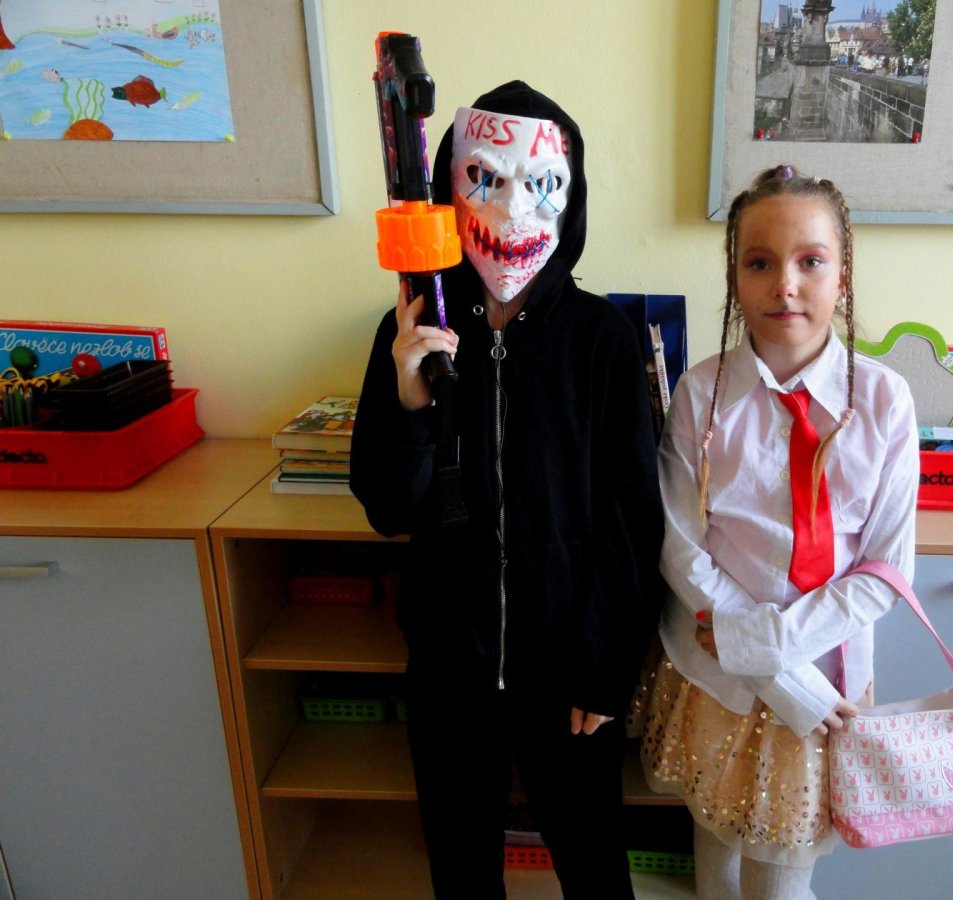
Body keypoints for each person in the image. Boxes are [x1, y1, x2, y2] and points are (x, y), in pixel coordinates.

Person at [351, 81, 665, 900]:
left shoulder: (603, 341)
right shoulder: (408, 329)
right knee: (460, 870)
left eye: (540, 183)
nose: (511, 205)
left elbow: (632, 522)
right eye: (484, 178)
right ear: (449, 189)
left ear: (571, 194)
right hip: (449, 669)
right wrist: (412, 402)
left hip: (568, 668)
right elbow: (388, 508)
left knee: (594, 866)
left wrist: (606, 670)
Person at [639, 166, 918, 899]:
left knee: (780, 881)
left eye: (810, 261)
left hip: (825, 684)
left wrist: (776, 655)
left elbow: (887, 570)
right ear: (734, 279)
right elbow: (680, 545)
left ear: (843, 275)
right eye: (759, 263)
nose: (784, 285)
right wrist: (763, 666)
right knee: (716, 851)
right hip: (716, 675)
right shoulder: (700, 393)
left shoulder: (885, 401)